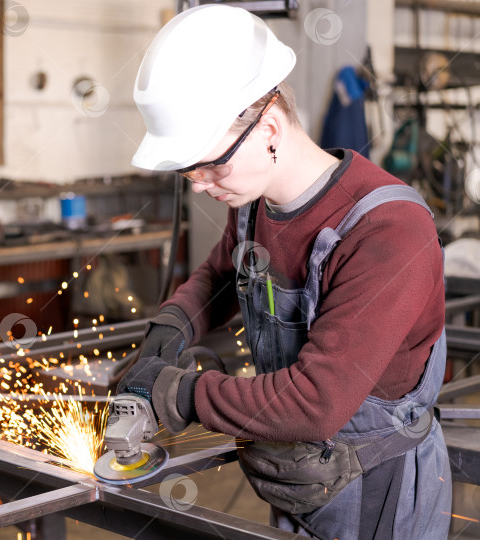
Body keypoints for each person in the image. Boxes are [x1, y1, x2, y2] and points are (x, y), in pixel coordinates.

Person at [117, 5, 452, 539]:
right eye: (188, 170)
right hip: (298, 477)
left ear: (268, 128)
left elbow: (315, 402)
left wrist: (182, 393)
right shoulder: (252, 204)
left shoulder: (389, 231)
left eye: (210, 163)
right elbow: (224, 273)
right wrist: (174, 324)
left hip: (380, 495)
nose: (200, 183)